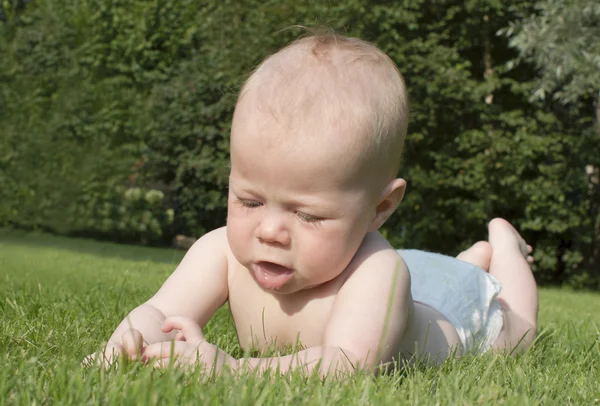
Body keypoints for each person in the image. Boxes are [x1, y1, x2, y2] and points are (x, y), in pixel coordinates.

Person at [87, 33, 538, 376]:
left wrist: (230, 368)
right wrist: (123, 346)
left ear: (380, 209)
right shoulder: (221, 251)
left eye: (307, 215)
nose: (270, 231)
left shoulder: (378, 273)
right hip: (416, 280)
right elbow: (160, 311)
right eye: (249, 200)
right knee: (454, 268)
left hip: (452, 317)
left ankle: (504, 245)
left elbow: (348, 363)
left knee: (515, 330)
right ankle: (473, 257)